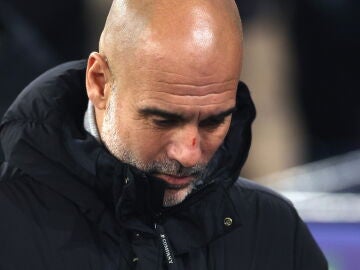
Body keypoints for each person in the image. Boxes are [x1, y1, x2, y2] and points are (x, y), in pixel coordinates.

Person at [0, 0, 327, 269]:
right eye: (163, 120)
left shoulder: (275, 231)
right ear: (99, 82)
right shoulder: (10, 225)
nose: (189, 154)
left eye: (214, 122)